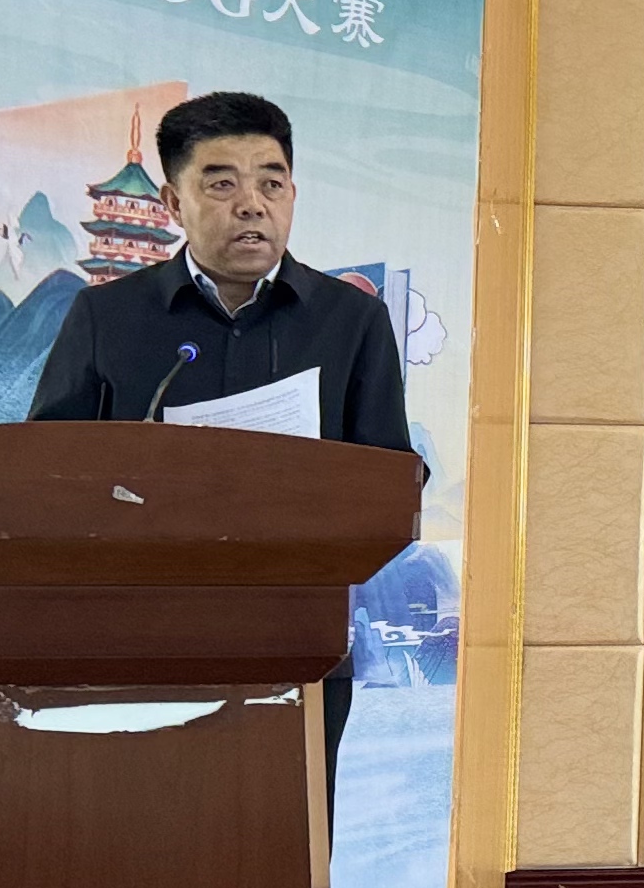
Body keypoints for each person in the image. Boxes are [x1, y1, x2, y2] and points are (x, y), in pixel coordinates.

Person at [27, 91, 417, 792]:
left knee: (282, 841)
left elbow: (392, 480)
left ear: (292, 195)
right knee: (134, 829)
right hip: (134, 639)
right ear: (173, 203)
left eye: (271, 183)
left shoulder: (352, 323)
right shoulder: (106, 316)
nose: (252, 205)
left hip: (296, 637)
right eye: (222, 184)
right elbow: (43, 474)